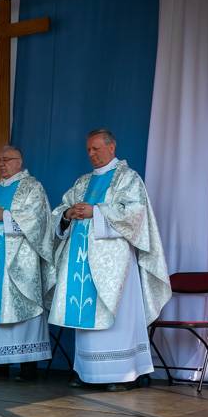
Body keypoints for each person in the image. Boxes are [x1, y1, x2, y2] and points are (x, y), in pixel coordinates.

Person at [50, 129, 171, 391]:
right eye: (88, 150)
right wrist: (69, 212)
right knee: (86, 317)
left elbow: (135, 215)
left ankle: (124, 373)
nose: (91, 154)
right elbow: (60, 210)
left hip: (115, 264)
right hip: (81, 260)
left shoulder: (127, 178)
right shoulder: (83, 182)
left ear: (112, 147)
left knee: (118, 316)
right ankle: (88, 372)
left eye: (96, 149)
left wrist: (96, 211)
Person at [0, 146, 55, 382]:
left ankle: (28, 367)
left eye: (6, 160)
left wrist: (4, 216)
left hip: (19, 260)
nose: (2, 164)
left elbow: (38, 220)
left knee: (22, 306)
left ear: (19, 162)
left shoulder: (31, 187)